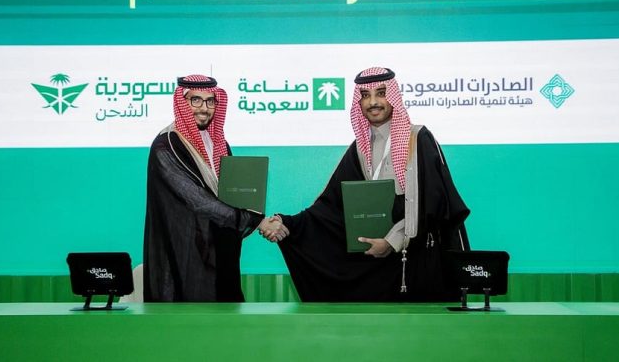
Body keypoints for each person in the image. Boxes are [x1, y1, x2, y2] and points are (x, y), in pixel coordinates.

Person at [273, 67, 470, 302]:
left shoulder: (418, 139)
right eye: (365, 95)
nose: (373, 102)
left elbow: (434, 204)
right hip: (378, 258)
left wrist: (392, 241)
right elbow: (330, 206)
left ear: (394, 96)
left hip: (416, 258)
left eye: (381, 93)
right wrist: (288, 223)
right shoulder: (359, 147)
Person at [143, 74, 287, 302]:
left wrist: (249, 209)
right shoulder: (166, 146)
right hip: (185, 255)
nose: (204, 108)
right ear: (182, 102)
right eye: (196, 100)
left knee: (227, 319)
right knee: (192, 319)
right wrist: (256, 220)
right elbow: (198, 200)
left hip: (220, 253)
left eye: (210, 101)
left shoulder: (218, 142)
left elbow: (229, 193)